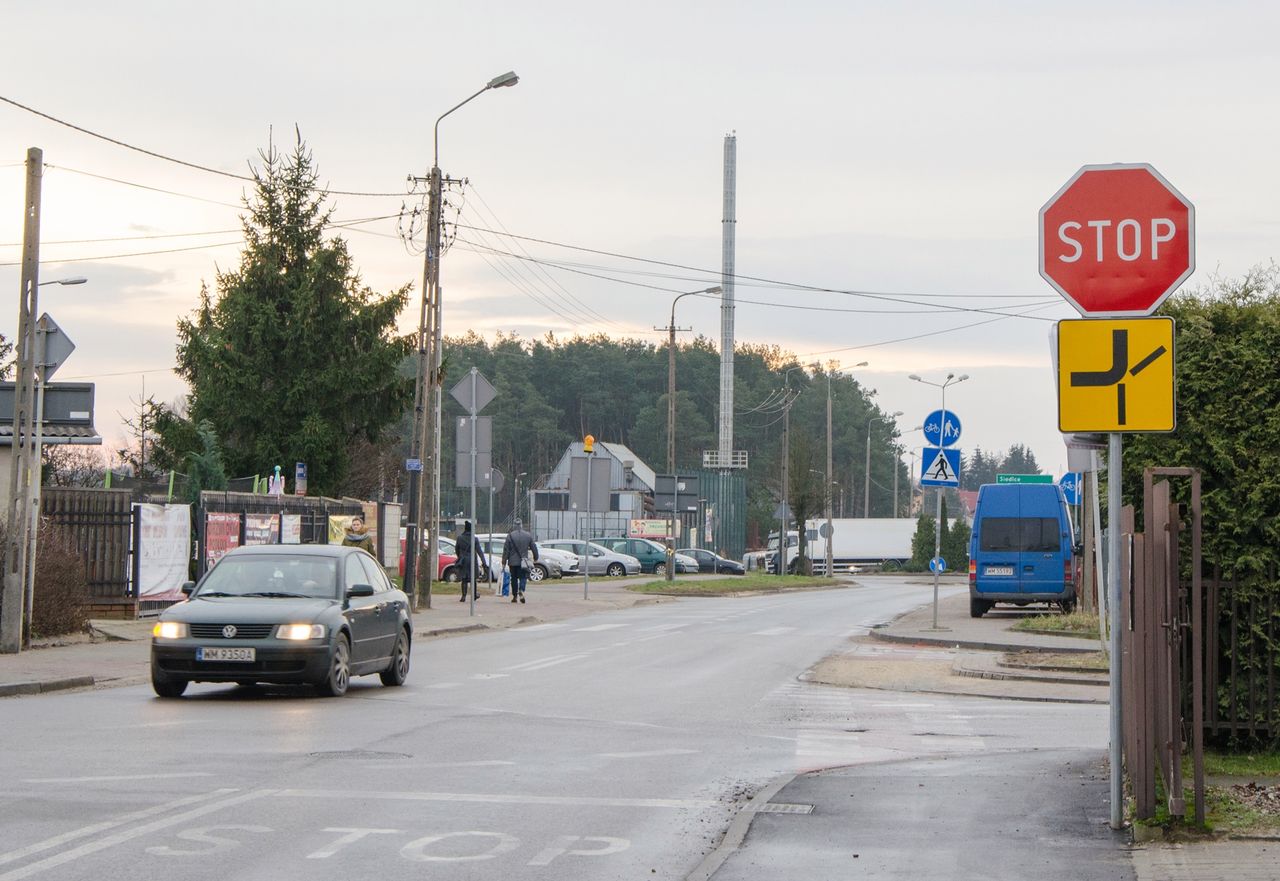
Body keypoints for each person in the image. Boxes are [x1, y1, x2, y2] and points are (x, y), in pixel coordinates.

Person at [501, 518, 539, 604]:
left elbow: (506, 550)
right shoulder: (528, 535)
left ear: (514, 525)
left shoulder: (510, 536)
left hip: (512, 562)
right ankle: (521, 590)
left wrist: (503, 562)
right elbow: (534, 547)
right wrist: (536, 557)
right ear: (521, 525)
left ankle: (514, 596)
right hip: (523, 562)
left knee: (513, 578)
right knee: (523, 577)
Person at [455, 521, 486, 602]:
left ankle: (463, 596)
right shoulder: (475, 539)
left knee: (464, 579)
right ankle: (474, 595)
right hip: (472, 560)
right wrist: (484, 562)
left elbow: (456, 549)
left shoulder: (460, 538)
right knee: (473, 579)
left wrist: (460, 557)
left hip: (464, 560)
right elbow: (480, 552)